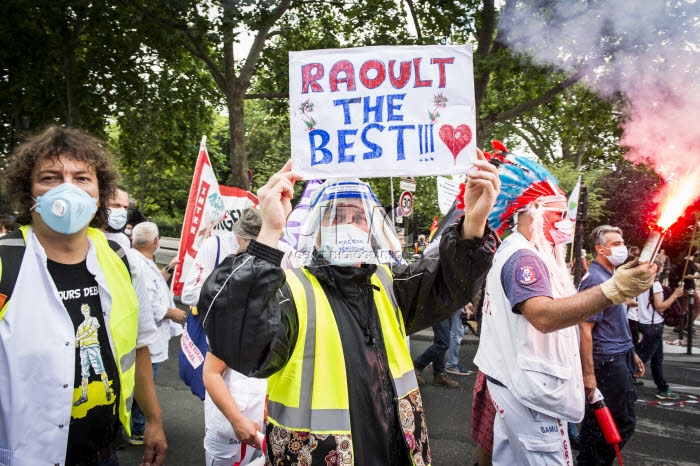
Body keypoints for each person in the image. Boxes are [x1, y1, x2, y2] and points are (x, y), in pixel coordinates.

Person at [197, 153, 500, 465]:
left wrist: (474, 222)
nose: (348, 226)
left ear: (370, 229)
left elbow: (448, 283)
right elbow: (236, 336)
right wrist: (270, 232)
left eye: (357, 217)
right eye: (337, 217)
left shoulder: (390, 284)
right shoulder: (289, 292)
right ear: (316, 232)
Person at [0, 125, 167, 465]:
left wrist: (153, 420)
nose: (67, 189)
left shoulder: (120, 258)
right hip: (26, 455)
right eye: (49, 177)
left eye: (81, 178)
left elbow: (140, 346)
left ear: (98, 191)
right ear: (28, 192)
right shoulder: (5, 262)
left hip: (104, 454)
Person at [473, 157, 656, 466]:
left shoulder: (526, 253)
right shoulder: (525, 259)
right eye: (559, 213)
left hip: (519, 386)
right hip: (529, 395)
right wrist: (614, 290)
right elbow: (543, 315)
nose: (565, 222)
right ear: (534, 214)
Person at [577, 225, 650, 465]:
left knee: (601, 422)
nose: (622, 248)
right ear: (600, 249)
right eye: (616, 244)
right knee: (618, 421)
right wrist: (589, 375)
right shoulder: (595, 280)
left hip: (620, 355)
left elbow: (614, 323)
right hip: (606, 363)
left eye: (622, 242)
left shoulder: (612, 276)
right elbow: (585, 330)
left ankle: (591, 459)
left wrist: (632, 354)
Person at [129, 221, 186, 443]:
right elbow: (150, 306)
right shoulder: (139, 265)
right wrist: (174, 314)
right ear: (156, 242)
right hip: (147, 339)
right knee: (144, 385)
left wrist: (169, 268)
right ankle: (138, 428)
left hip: (149, 338)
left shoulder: (142, 261)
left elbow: (154, 284)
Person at [635, 275, 683, 399]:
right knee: (640, 360)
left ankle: (662, 387)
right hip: (654, 325)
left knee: (657, 359)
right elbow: (660, 306)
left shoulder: (640, 281)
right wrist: (675, 295)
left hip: (644, 323)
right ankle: (622, 386)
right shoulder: (655, 284)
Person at [413, 316, 460, 387]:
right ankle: (417, 365)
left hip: (448, 310)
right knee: (443, 343)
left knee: (440, 341)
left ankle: (439, 375)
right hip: (441, 310)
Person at [445, 303, 473, 376]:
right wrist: (465, 305)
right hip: (458, 306)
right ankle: (451, 365)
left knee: (457, 333)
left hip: (457, 306)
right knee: (456, 335)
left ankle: (441, 363)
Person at [103, 185, 132, 250]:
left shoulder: (123, 240)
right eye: (116, 205)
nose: (122, 211)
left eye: (125, 207)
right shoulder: (83, 237)